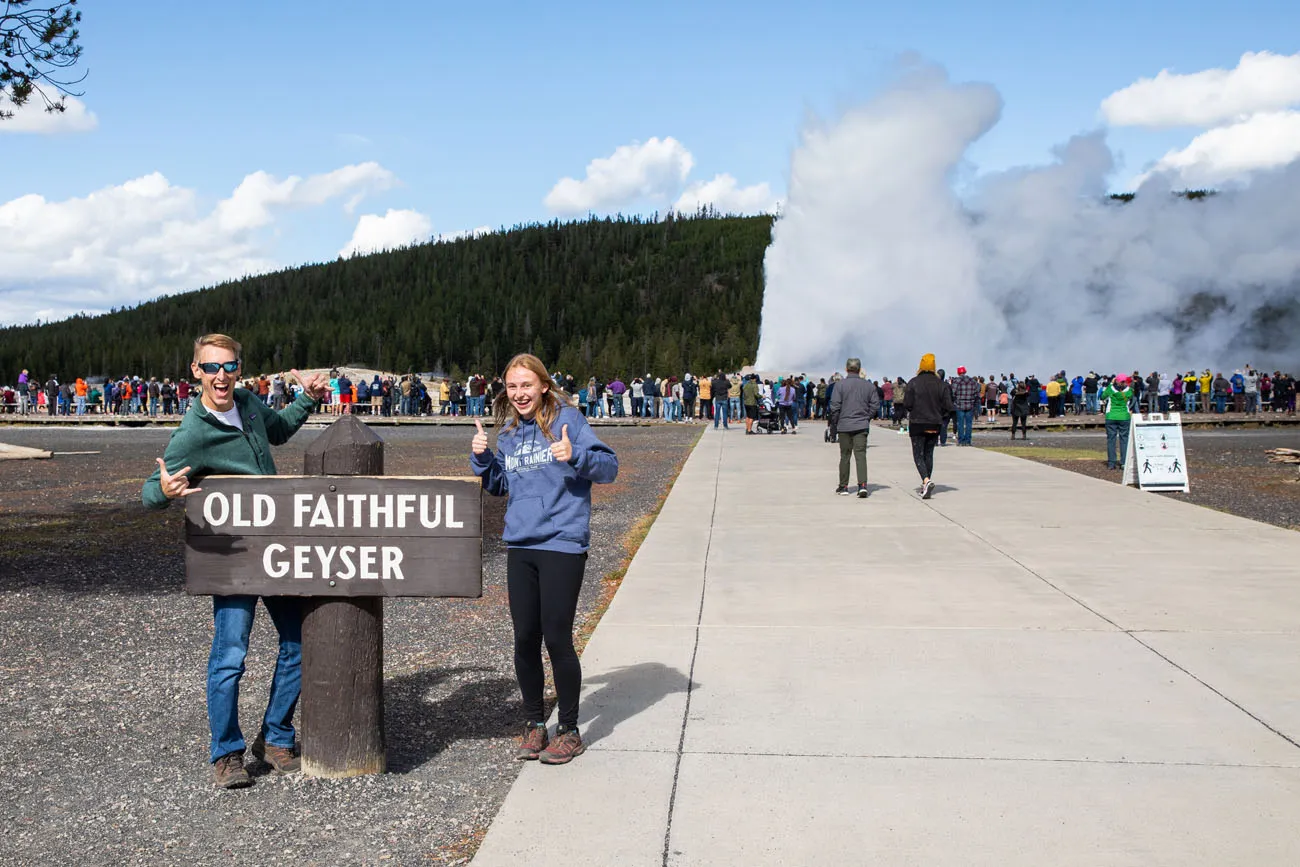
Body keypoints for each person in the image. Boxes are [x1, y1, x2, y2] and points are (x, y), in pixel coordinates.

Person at [141, 334, 328, 789]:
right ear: (195, 371)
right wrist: (164, 493)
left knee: (300, 642)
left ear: (238, 369)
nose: (221, 376)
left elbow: (278, 429)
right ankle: (226, 753)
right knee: (230, 656)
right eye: (211, 367)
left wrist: (307, 399)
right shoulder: (195, 431)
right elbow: (151, 490)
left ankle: (277, 736)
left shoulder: (245, 401)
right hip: (232, 555)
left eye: (229, 366)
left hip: (278, 548)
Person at [470, 353, 618, 765]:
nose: (519, 394)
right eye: (512, 387)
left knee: (556, 637)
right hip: (520, 543)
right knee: (524, 639)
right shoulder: (511, 433)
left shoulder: (568, 419)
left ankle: (569, 730)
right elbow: (502, 486)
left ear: (544, 386)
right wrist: (484, 460)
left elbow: (609, 468)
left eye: (526, 385)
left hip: (562, 543)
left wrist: (575, 455)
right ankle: (535, 724)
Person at [828, 357, 880, 497]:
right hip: (861, 425)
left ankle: (843, 486)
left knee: (845, 456)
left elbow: (834, 406)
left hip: (844, 425)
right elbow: (875, 405)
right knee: (860, 455)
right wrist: (867, 417)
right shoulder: (869, 386)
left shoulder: (839, 385)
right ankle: (862, 485)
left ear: (846, 369)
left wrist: (837, 421)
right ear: (859, 369)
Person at [904, 353, 952, 499]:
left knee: (918, 455)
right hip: (934, 423)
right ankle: (926, 483)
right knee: (928, 454)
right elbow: (949, 406)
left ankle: (926, 480)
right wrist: (941, 416)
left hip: (918, 423)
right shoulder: (942, 385)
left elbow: (907, 404)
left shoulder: (913, 382)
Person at [1100, 373, 1134, 471]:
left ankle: (1111, 463)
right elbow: (1132, 399)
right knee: (1124, 440)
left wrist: (1111, 384)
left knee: (1111, 440)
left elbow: (1102, 397)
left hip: (1111, 416)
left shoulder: (1110, 389)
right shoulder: (1129, 391)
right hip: (1124, 416)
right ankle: (1123, 463)